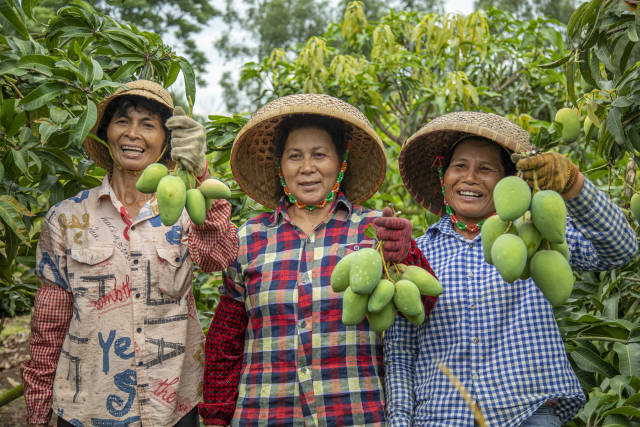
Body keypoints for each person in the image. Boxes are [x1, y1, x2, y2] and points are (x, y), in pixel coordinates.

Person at [384, 111, 638, 426]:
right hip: (441, 417)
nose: (470, 177)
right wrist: (398, 420)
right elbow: (401, 351)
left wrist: (574, 185)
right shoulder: (415, 252)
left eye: (486, 169)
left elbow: (621, 249)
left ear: (507, 182)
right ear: (443, 176)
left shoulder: (533, 235)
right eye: (459, 166)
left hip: (527, 414)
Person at [198, 93, 438, 426]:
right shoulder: (248, 238)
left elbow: (421, 307)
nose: (307, 167)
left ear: (341, 163)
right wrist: (215, 416)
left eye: (319, 155)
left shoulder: (372, 231)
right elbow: (226, 339)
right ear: (280, 166)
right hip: (263, 413)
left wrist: (405, 252)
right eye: (294, 156)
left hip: (353, 413)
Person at [21, 80, 239, 427]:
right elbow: (48, 326)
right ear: (107, 132)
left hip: (171, 408)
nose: (133, 133)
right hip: (85, 407)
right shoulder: (66, 218)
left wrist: (201, 172)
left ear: (166, 142)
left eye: (148, 124)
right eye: (123, 121)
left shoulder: (184, 211)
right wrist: (37, 411)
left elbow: (219, 256)